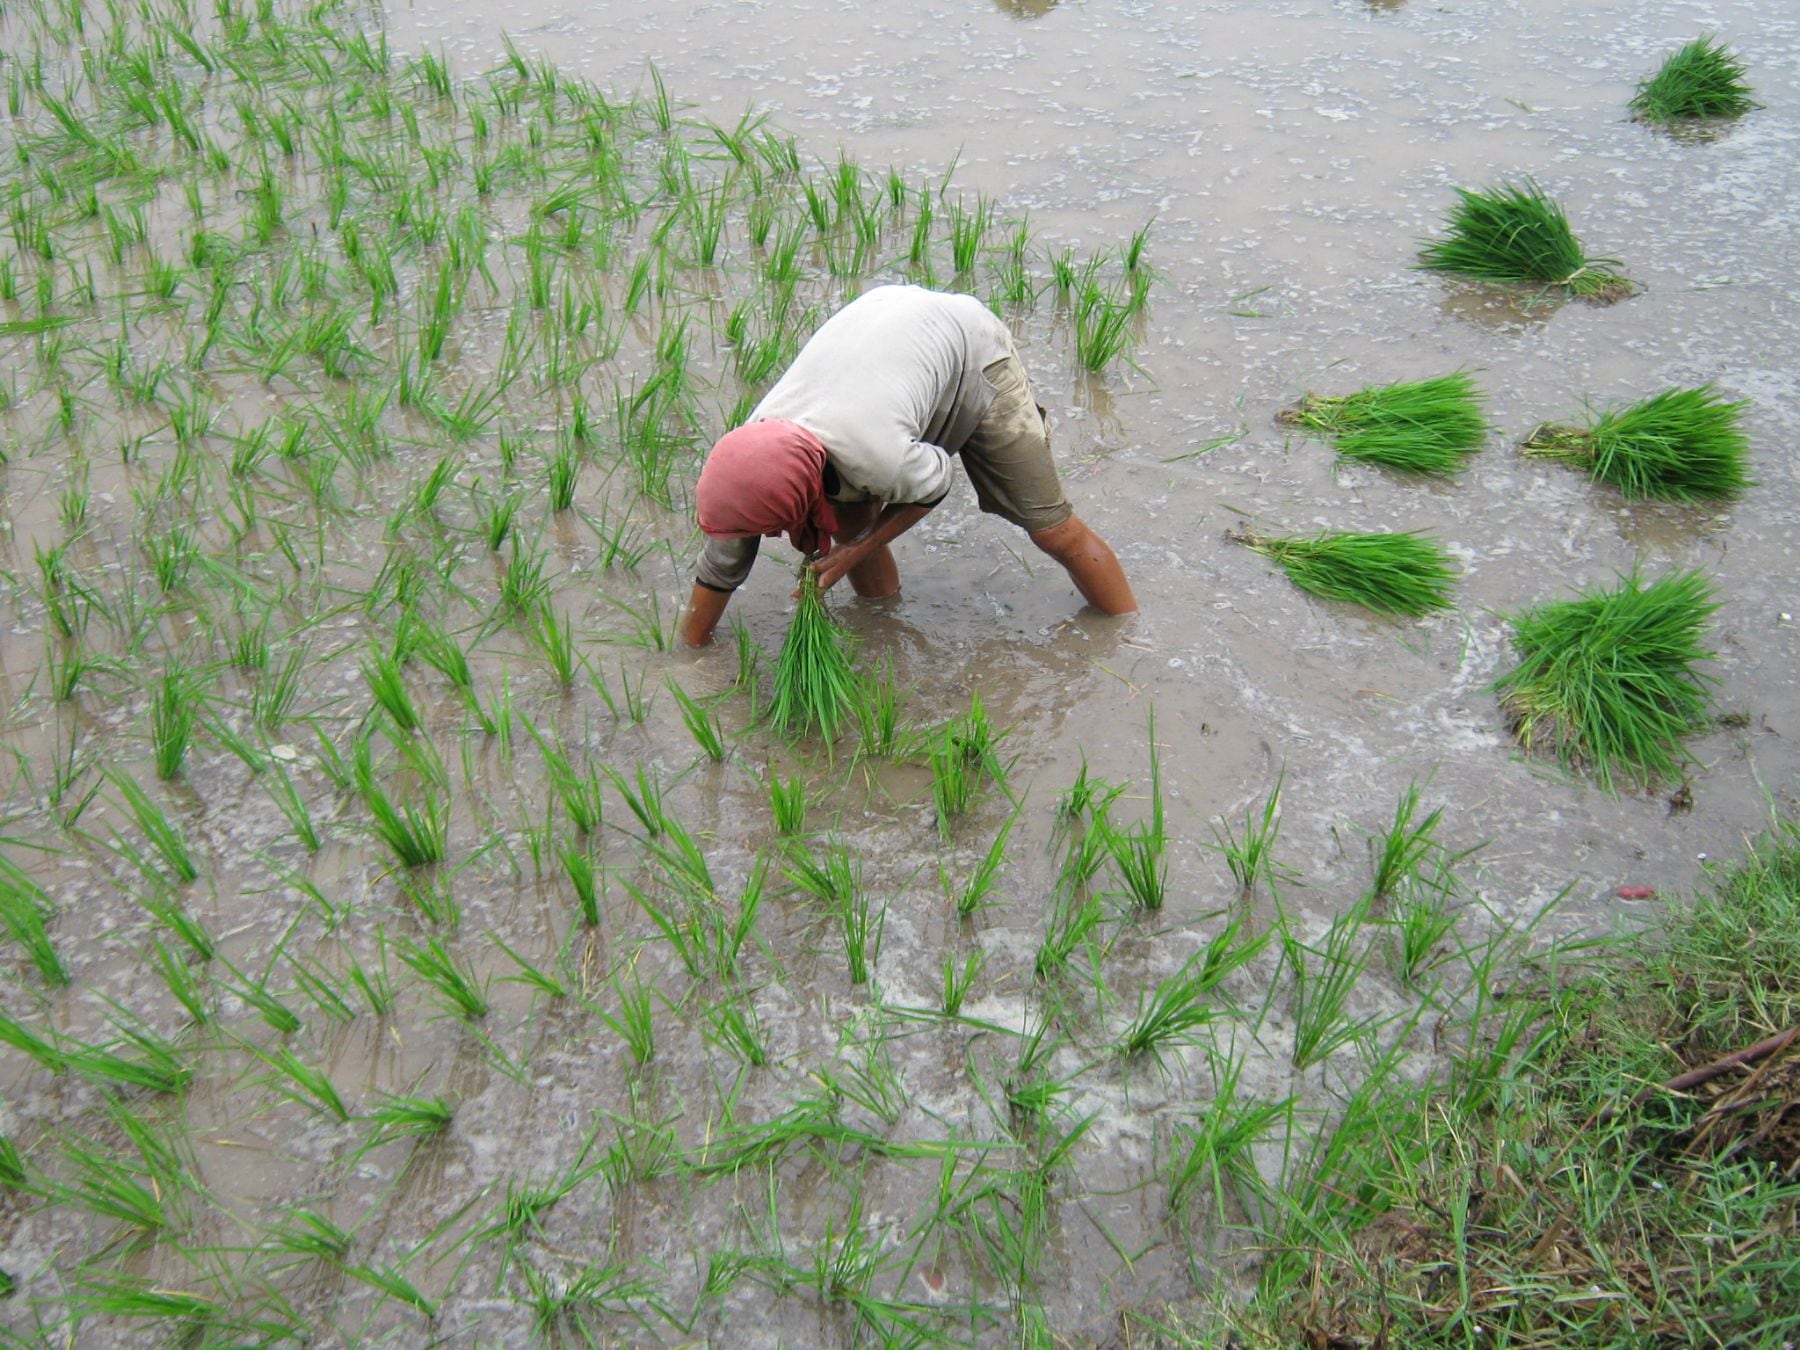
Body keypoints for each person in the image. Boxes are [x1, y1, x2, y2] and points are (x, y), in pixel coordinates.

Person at [680, 284, 1136, 646]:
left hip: (968, 348)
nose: (776, 536)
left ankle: (1127, 635)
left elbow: (937, 482)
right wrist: (692, 657)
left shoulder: (874, 454)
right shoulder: (750, 463)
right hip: (886, 336)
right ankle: (884, 629)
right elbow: (721, 565)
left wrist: (855, 551)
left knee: (1049, 527)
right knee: (848, 520)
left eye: (776, 527)